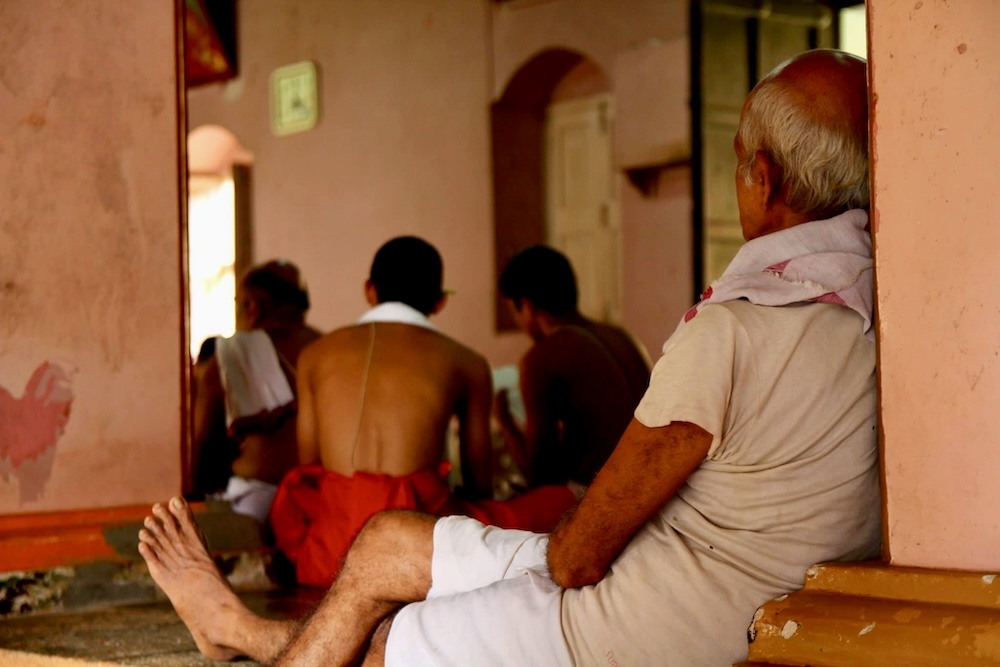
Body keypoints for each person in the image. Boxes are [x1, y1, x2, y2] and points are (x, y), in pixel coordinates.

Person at [139, 49, 880, 666]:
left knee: (382, 632)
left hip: (646, 608)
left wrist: (515, 555)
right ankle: (233, 628)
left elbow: (575, 559)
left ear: (765, 180)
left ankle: (236, 627)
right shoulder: (879, 316)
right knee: (388, 540)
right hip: (690, 567)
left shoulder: (736, 331)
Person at [267, 236, 577, 587]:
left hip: (331, 555)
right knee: (559, 501)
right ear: (440, 301)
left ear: (370, 290)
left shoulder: (314, 355)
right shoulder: (466, 361)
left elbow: (309, 469)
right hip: (419, 552)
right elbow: (479, 484)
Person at [494, 245, 650, 488]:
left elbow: (539, 473)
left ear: (526, 306)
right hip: (660, 484)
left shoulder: (541, 357)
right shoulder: (622, 337)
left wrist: (503, 419)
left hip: (609, 496)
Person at [190, 260, 322, 523]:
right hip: (319, 500)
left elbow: (204, 443)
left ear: (255, 306)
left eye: (239, 304)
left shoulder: (234, 353)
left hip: (254, 503)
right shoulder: (331, 350)